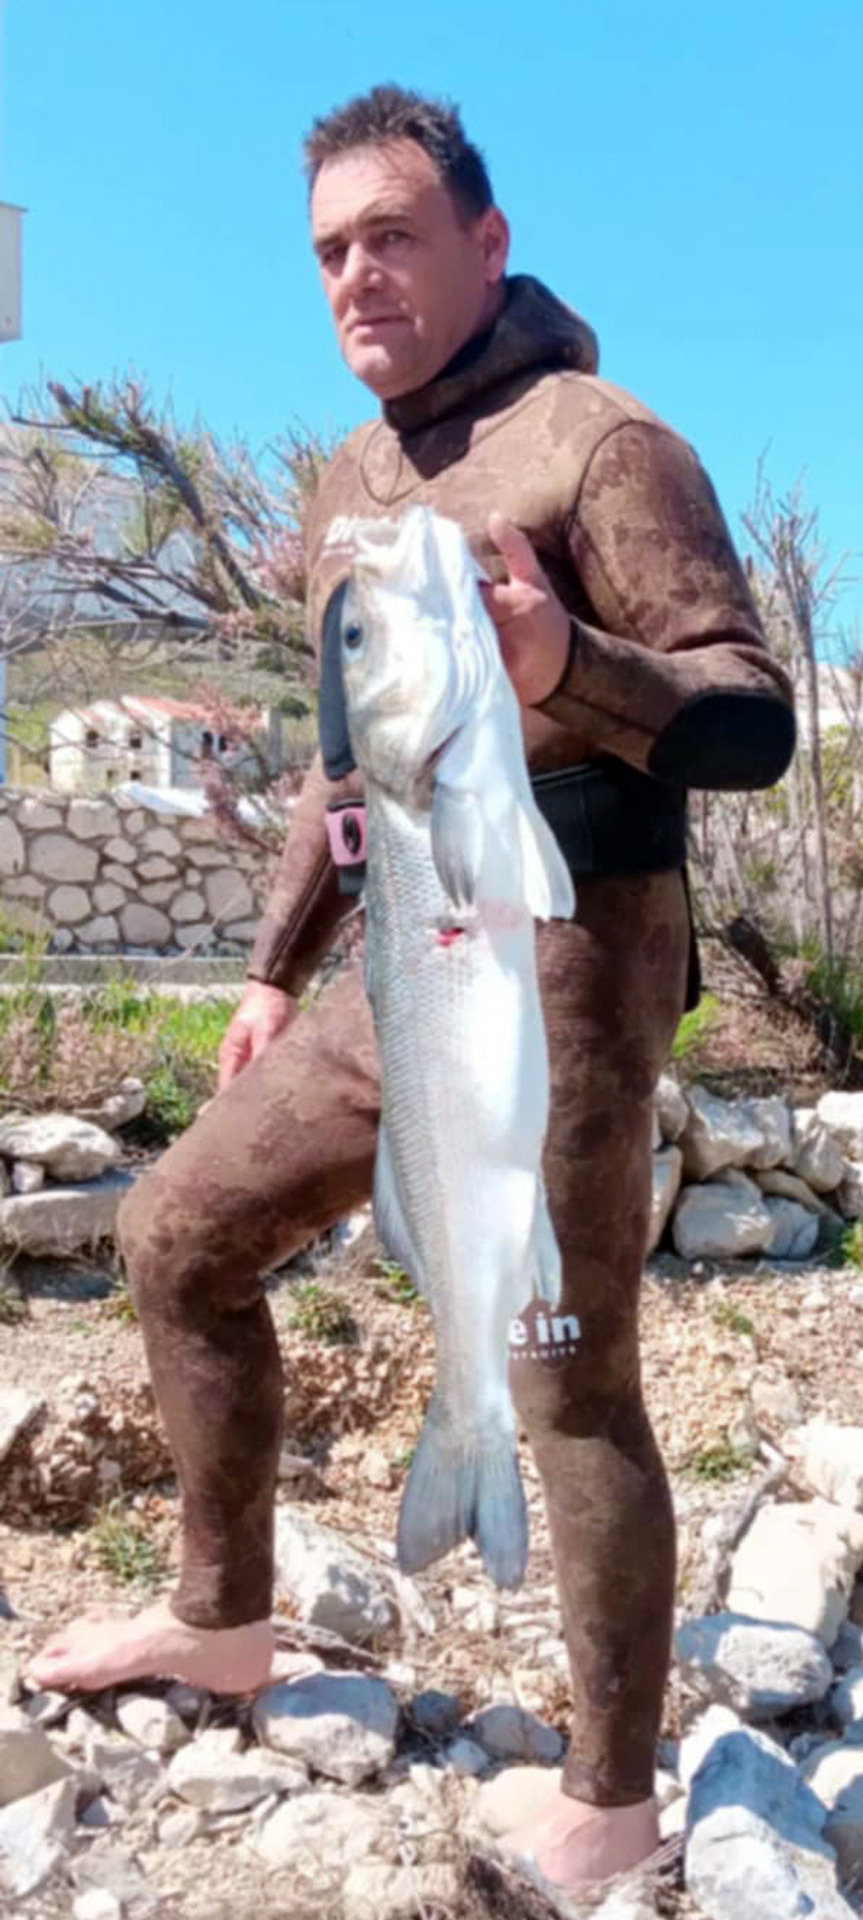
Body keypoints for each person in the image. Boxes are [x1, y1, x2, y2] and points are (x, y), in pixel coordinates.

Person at [30, 85, 794, 1894]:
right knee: (176, 1233)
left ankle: (611, 1798)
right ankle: (221, 1618)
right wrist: (267, 973)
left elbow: (752, 715)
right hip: (403, 952)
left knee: (560, 1370)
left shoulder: (604, 445)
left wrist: (569, 659)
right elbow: (340, 769)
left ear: (486, 242)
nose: (356, 277)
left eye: (393, 236)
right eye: (329, 252)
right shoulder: (351, 484)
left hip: (568, 967)